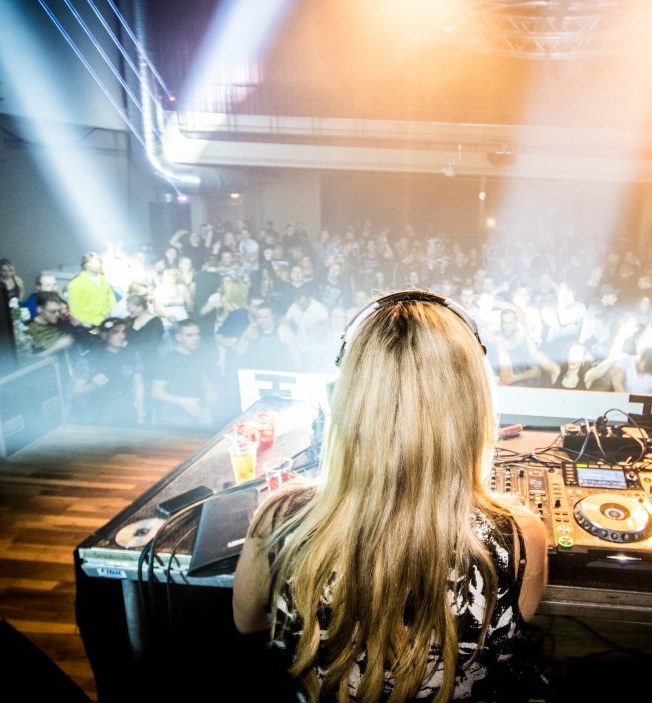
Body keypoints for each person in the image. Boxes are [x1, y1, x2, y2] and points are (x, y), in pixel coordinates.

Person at [232, 291, 547, 701]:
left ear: (346, 396)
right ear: (473, 403)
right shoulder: (522, 538)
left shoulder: (278, 519)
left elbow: (248, 623)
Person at [71, 318, 146, 426]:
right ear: (104, 335)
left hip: (127, 413)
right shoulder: (91, 359)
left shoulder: (132, 355)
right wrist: (93, 384)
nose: (121, 336)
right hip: (99, 416)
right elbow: (76, 392)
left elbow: (139, 386)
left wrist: (140, 416)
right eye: (115, 332)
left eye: (123, 332)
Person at [151, 319, 217, 430]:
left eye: (197, 334)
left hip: (200, 414)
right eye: (189, 335)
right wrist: (184, 402)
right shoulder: (168, 360)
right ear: (178, 337)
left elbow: (207, 383)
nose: (195, 338)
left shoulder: (198, 356)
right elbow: (156, 392)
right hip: (177, 417)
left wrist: (209, 405)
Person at [66, 252, 117, 330]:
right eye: (95, 262)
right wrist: (83, 322)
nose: (99, 265)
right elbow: (74, 308)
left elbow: (112, 300)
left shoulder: (105, 281)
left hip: (107, 321)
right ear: (86, 264)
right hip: (88, 324)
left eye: (99, 262)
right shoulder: (75, 283)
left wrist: (112, 314)